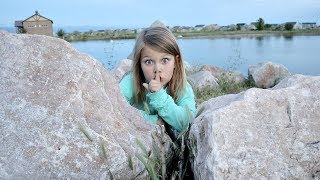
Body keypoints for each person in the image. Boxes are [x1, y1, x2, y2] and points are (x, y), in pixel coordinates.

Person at [119, 26, 195, 132]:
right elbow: (116, 107)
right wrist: (154, 120)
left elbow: (186, 122)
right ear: (139, 64)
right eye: (149, 62)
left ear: (176, 62)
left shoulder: (183, 87)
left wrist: (159, 96)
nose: (157, 69)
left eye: (165, 60)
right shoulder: (130, 82)